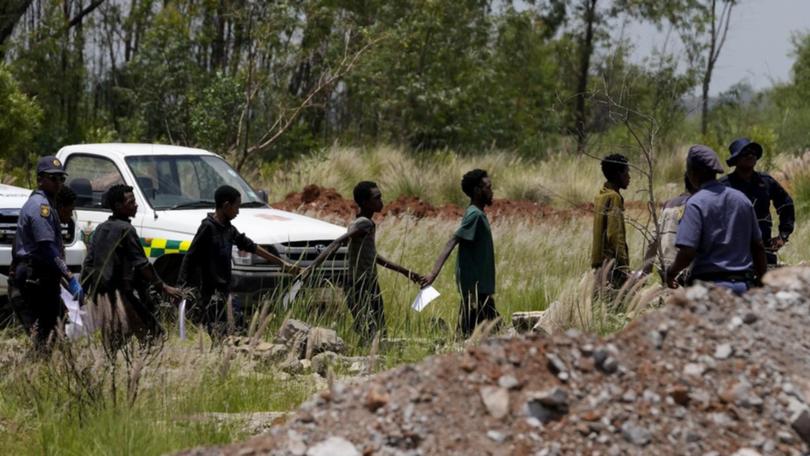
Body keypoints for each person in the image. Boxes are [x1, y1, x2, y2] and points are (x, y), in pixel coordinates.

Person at [305, 181, 425, 342]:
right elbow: (338, 242)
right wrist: (312, 267)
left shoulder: (363, 222)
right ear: (364, 202)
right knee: (375, 329)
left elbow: (373, 256)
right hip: (361, 284)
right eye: (376, 198)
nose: (380, 201)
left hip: (365, 281)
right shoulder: (363, 224)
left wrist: (405, 272)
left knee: (371, 328)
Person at [178, 185, 302, 339]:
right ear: (226, 206)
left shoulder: (229, 229)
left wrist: (283, 264)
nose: (238, 211)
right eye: (236, 206)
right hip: (210, 295)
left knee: (239, 330)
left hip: (225, 292)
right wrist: (182, 287)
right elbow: (190, 257)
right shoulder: (207, 228)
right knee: (220, 334)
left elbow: (252, 246)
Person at [82, 184, 182, 342]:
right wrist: (163, 287)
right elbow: (142, 265)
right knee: (154, 335)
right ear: (117, 206)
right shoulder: (126, 229)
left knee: (115, 337)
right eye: (131, 202)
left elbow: (88, 263)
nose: (135, 205)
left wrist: (84, 291)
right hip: (121, 294)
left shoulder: (101, 228)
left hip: (101, 295)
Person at [666, 145, 767, 295]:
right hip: (742, 287)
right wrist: (761, 280)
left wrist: (671, 272)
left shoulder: (695, 204)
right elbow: (758, 246)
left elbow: (687, 251)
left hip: (709, 290)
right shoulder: (742, 200)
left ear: (693, 172)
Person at [11, 156, 82, 350]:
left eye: (61, 179)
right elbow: (47, 248)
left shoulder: (46, 205)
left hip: (42, 276)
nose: (58, 183)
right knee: (45, 339)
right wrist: (70, 277)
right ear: (40, 179)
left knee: (55, 334)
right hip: (35, 278)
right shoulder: (40, 207)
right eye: (53, 178)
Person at [424, 169, 498, 337]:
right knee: (475, 332)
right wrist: (433, 274)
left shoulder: (478, 213)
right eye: (488, 187)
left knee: (474, 331)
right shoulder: (474, 215)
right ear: (477, 190)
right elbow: (453, 240)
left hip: (480, 286)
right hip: (476, 287)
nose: (491, 191)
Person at [720, 138, 794, 265]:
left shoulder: (766, 181)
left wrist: (783, 236)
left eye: (753, 153)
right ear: (736, 159)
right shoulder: (724, 185)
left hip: (763, 249)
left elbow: (786, 205)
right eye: (745, 153)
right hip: (731, 253)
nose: (751, 155)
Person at [642, 173, 696, 282]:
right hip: (684, 266)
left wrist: (646, 270)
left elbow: (654, 239)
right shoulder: (696, 204)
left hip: (665, 265)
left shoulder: (668, 204)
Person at [591, 154, 631, 287]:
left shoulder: (601, 195)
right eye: (626, 172)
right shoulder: (614, 197)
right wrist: (624, 266)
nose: (629, 176)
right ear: (618, 174)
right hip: (611, 266)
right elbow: (615, 234)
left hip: (599, 265)